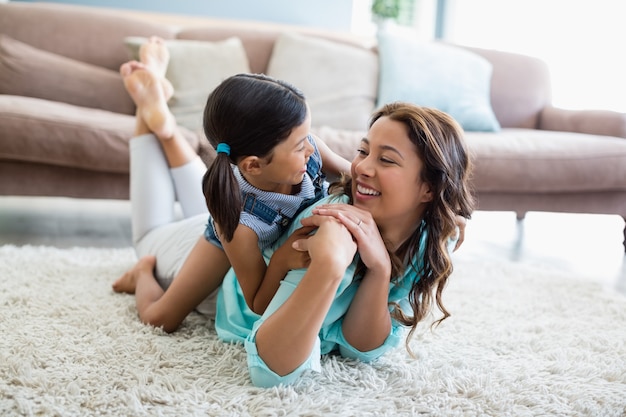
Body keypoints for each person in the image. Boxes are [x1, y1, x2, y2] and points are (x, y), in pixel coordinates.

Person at [214, 101, 475, 387]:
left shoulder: (431, 238)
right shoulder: (330, 226)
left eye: (386, 160)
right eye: (363, 151)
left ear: (430, 188)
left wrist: (380, 269)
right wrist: (328, 266)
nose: (362, 167)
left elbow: (359, 348)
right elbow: (269, 372)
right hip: (227, 285)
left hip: (255, 235)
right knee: (164, 287)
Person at [112, 37, 350, 332]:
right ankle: (141, 273)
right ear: (252, 164)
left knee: (218, 203)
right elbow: (258, 302)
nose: (312, 150)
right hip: (195, 244)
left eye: (307, 137)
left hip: (222, 207)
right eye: (300, 145)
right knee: (161, 318)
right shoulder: (238, 225)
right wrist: (281, 260)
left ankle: (164, 123)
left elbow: (355, 177)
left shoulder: (300, 153)